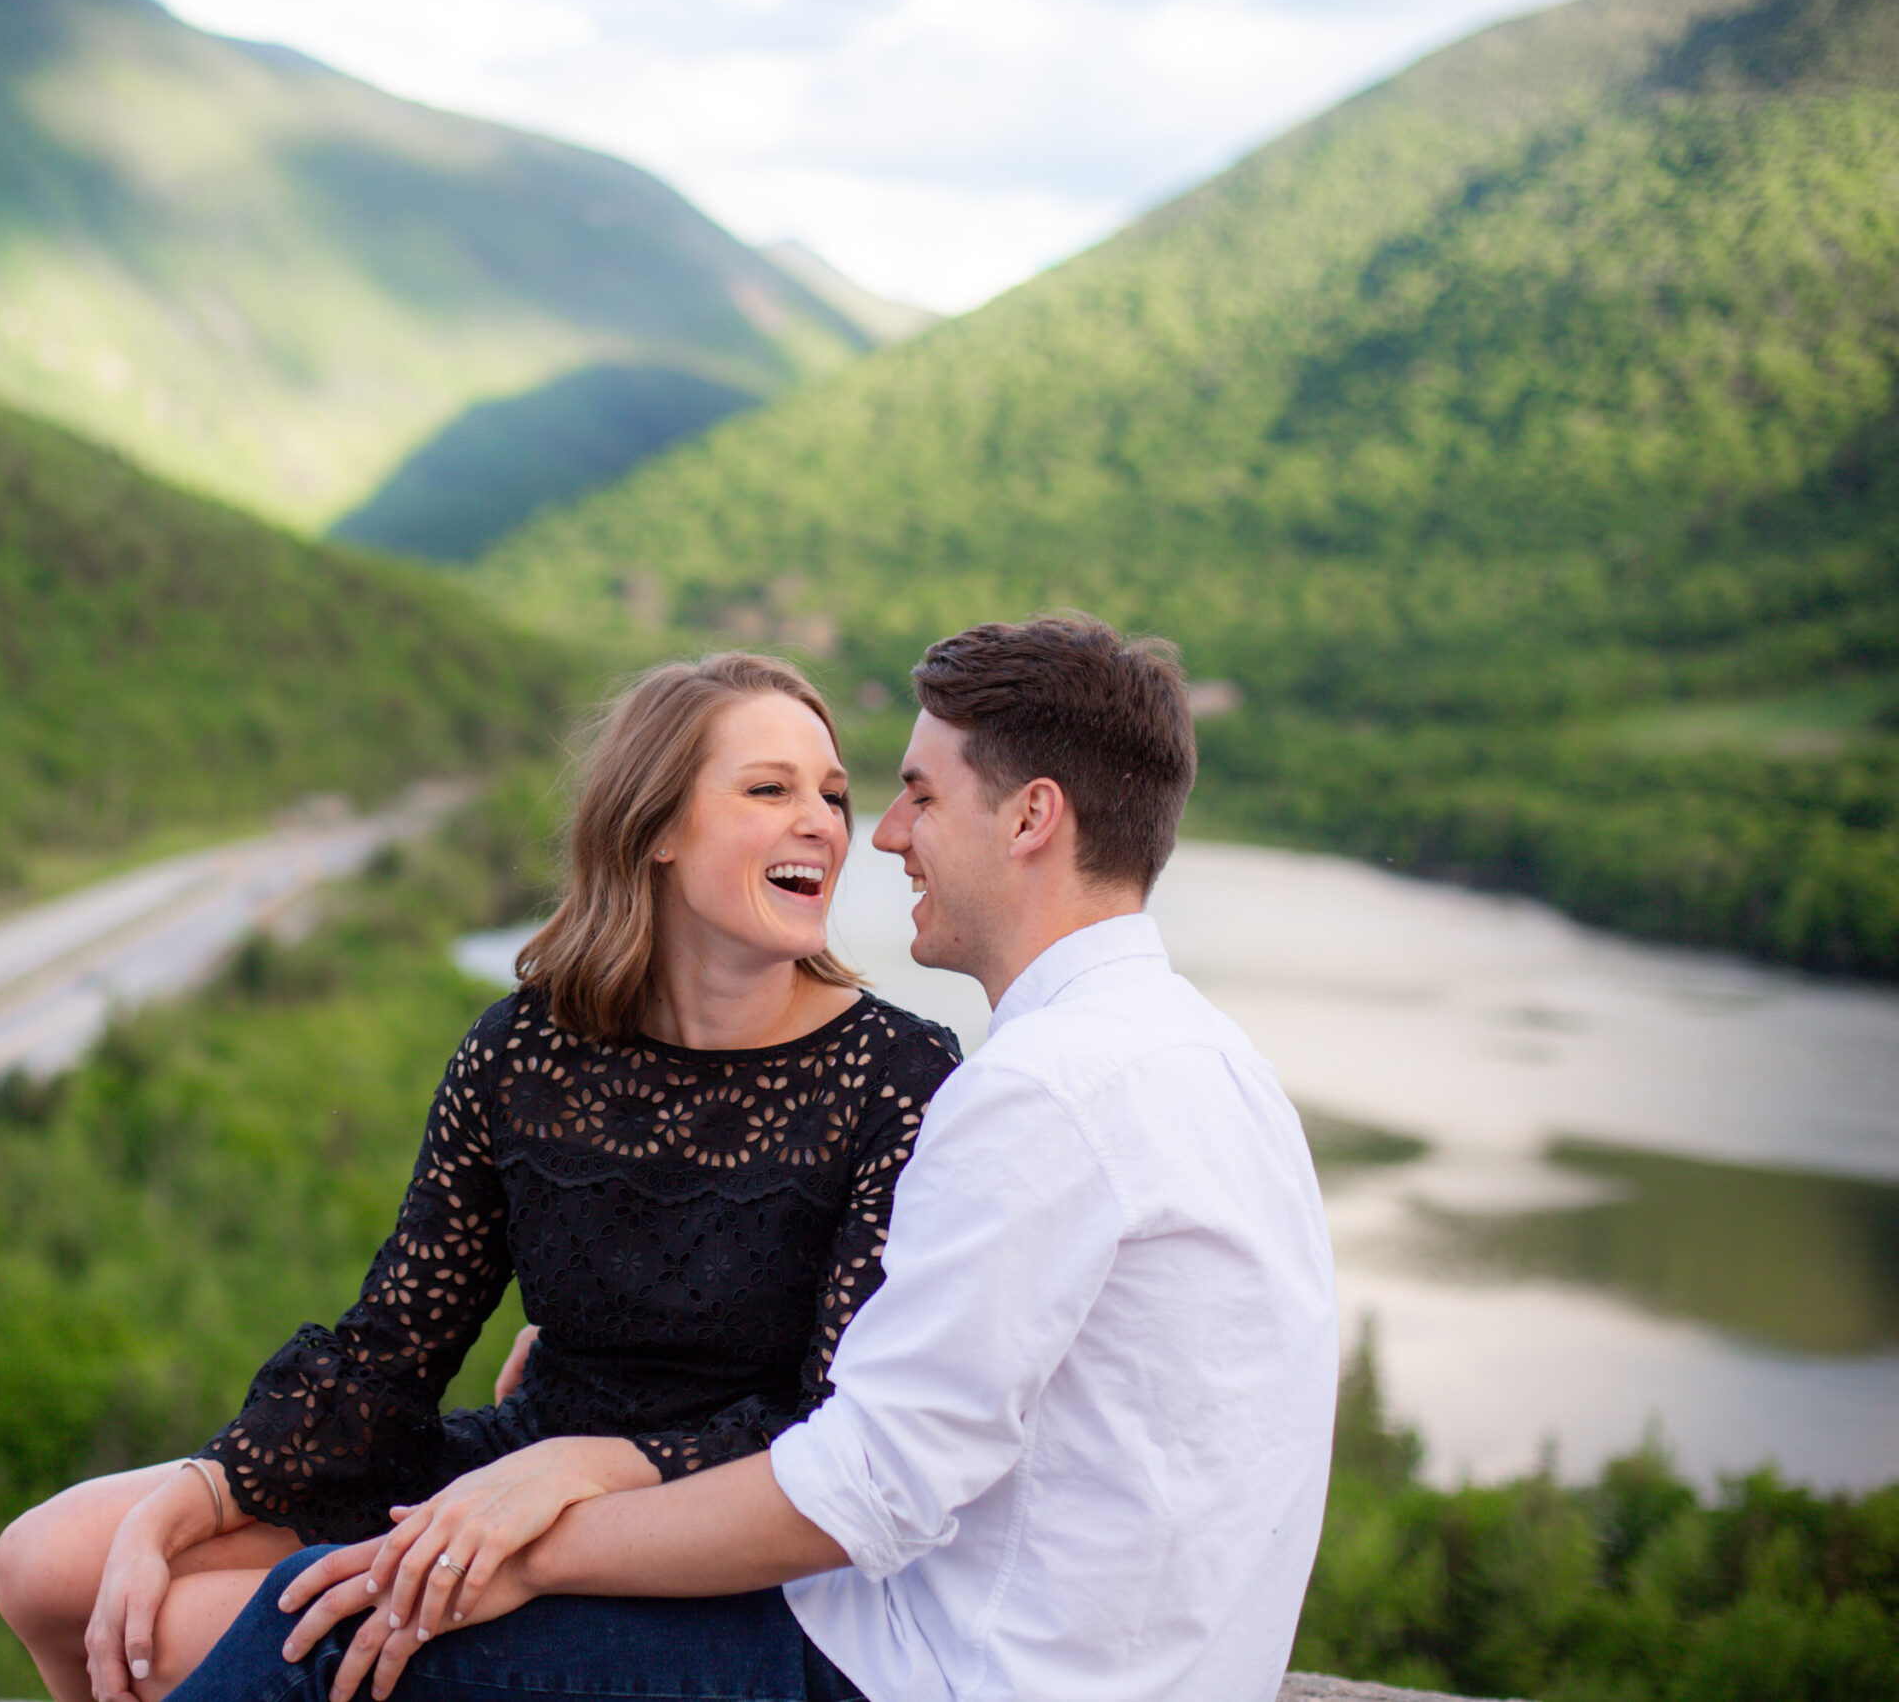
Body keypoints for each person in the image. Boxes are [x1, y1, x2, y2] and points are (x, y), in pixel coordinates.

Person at [182, 613, 1341, 1702]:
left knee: (318, 1625)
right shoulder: (1210, 1060)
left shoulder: (1039, 1092)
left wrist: (534, 1540)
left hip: (945, 1672)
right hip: (1134, 1665)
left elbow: (869, 1485)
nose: (883, 837)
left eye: (919, 796)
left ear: (1032, 818)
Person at [0, 652, 962, 1702]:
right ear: (657, 831)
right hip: (518, 1458)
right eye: (768, 789)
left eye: (831, 793)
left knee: (185, 1632)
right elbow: (391, 1346)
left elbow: (833, 1427)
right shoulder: (525, 1050)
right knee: (49, 1565)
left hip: (698, 1529)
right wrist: (188, 1499)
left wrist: (583, 1473)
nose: (823, 821)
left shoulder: (899, 1075)